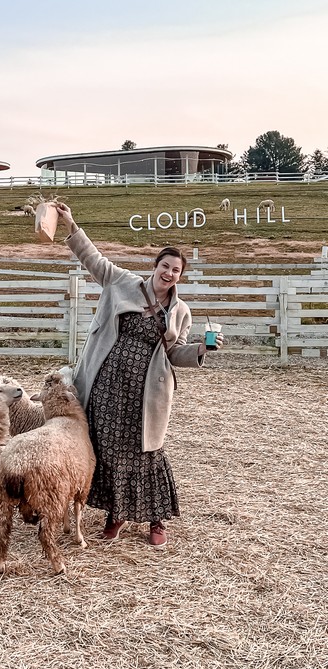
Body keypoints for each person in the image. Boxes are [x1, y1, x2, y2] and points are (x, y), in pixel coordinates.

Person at [55, 202, 224, 547]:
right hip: (106, 382)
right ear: (156, 266)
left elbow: (175, 353)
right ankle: (115, 516)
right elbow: (93, 258)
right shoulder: (122, 282)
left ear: (181, 275)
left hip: (146, 389)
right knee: (108, 449)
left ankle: (156, 520)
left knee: (147, 450)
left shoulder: (180, 310)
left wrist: (202, 351)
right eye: (165, 266)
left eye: (176, 270)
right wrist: (72, 226)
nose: (170, 273)